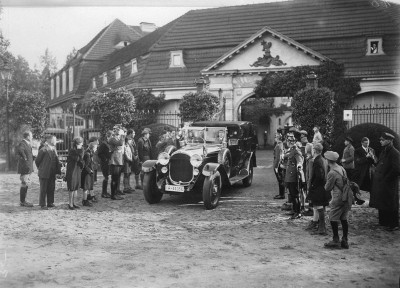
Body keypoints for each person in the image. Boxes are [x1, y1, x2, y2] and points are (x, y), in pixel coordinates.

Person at [370, 133, 400, 232]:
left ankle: (393, 224)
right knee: (382, 202)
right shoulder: (384, 151)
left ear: (389, 141)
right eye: (381, 140)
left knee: (390, 203)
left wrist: (386, 178)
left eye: (383, 140)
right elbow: (380, 163)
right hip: (381, 182)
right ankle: (384, 222)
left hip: (389, 183)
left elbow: (396, 169)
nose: (380, 141)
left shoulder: (394, 153)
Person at [323, 151, 351, 249]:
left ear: (328, 161)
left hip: (337, 197)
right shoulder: (341, 168)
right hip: (346, 197)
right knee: (344, 218)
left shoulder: (332, 172)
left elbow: (327, 188)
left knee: (332, 218)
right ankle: (345, 239)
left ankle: (335, 239)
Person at [305, 143, 329, 235]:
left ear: (314, 150)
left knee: (319, 207)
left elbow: (319, 176)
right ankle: (320, 225)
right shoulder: (324, 159)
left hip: (318, 187)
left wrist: (313, 186)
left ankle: (322, 227)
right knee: (319, 206)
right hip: (323, 186)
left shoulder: (317, 161)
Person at [35, 134, 62, 209]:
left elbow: (56, 160)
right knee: (43, 188)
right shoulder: (43, 148)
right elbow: (37, 161)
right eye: (54, 139)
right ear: (49, 140)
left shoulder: (54, 148)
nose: (55, 141)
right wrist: (42, 168)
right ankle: (42, 204)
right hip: (44, 172)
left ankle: (50, 202)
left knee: (51, 187)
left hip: (52, 172)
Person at [283, 133, 304, 219]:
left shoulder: (296, 150)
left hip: (293, 176)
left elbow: (300, 160)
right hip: (289, 175)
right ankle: (294, 210)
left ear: (291, 142)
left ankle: (298, 212)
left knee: (295, 194)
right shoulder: (291, 149)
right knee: (291, 194)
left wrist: (299, 165)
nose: (287, 142)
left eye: (289, 141)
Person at [16, 131, 34, 207]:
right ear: (27, 136)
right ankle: (22, 201)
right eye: (31, 136)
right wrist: (25, 158)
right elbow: (20, 150)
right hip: (25, 167)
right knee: (24, 184)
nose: (32, 137)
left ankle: (23, 200)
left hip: (28, 167)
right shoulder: (23, 143)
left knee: (26, 184)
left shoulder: (27, 144)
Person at [65, 137, 84, 210]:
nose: (82, 145)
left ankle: (74, 202)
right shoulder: (72, 150)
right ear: (78, 143)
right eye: (81, 143)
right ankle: (70, 203)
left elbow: (81, 158)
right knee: (72, 188)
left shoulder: (80, 150)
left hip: (77, 170)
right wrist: (80, 150)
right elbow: (77, 158)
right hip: (72, 170)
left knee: (76, 187)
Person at [109, 126, 126, 200]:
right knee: (114, 178)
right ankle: (113, 195)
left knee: (117, 177)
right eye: (117, 130)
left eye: (119, 130)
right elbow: (120, 143)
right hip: (115, 160)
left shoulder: (117, 138)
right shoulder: (112, 139)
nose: (118, 131)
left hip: (118, 159)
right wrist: (123, 136)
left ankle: (115, 193)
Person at [81, 137, 98, 206]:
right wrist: (90, 170)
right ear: (92, 147)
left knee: (89, 186)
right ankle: (84, 200)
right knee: (86, 187)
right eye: (95, 148)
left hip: (89, 173)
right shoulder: (87, 154)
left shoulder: (90, 153)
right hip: (87, 173)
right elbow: (85, 165)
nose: (96, 149)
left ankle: (88, 198)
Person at [97, 130, 112, 198]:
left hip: (107, 162)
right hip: (104, 163)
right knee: (105, 177)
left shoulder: (108, 144)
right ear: (108, 136)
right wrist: (105, 159)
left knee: (107, 177)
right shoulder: (103, 144)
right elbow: (99, 153)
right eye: (111, 136)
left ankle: (105, 192)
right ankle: (103, 193)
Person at [273, 133, 285, 200]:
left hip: (278, 165)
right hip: (280, 164)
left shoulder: (278, 146)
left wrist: (276, 167)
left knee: (280, 180)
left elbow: (278, 158)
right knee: (281, 180)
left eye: (275, 137)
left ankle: (281, 194)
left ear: (277, 138)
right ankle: (281, 194)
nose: (275, 138)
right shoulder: (281, 144)